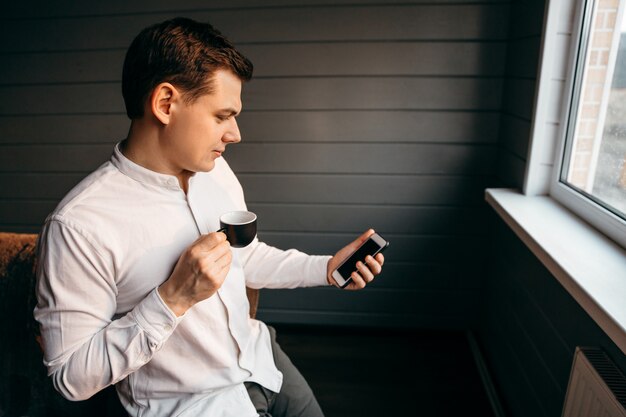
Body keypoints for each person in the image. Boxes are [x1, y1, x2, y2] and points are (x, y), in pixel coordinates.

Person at [34, 17, 384, 417]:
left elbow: (244, 258)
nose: (235, 133)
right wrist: (172, 298)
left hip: (265, 361)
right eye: (222, 116)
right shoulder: (79, 226)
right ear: (166, 104)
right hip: (197, 404)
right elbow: (70, 377)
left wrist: (326, 268)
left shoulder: (214, 170)